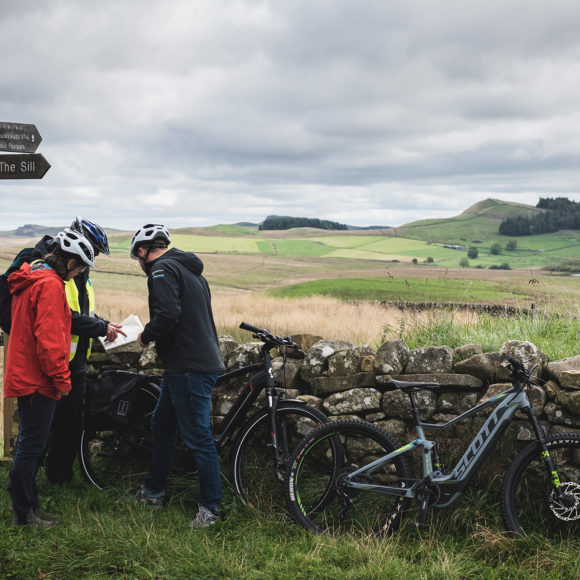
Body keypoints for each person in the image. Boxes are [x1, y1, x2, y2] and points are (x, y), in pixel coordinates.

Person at [130, 224, 225, 528]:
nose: (140, 263)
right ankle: (153, 491)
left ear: (144, 251)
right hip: (188, 364)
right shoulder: (192, 271)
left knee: (197, 436)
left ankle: (211, 509)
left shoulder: (161, 270)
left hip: (188, 366)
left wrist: (146, 334)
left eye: (138, 256)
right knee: (163, 425)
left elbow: (168, 315)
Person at [5, 229, 95, 527]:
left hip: (25, 372)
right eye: (80, 267)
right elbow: (51, 342)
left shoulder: (32, 278)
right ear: (69, 262)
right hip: (37, 378)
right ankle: (23, 513)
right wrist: (62, 380)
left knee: (31, 444)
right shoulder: (50, 286)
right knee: (31, 447)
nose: (78, 274)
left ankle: (31, 505)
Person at [36, 217, 126, 484]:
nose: (93, 258)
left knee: (68, 425)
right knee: (43, 426)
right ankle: (28, 483)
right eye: (93, 251)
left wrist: (102, 322)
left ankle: (58, 477)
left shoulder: (81, 273)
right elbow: (65, 316)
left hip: (74, 361)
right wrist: (99, 327)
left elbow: (82, 311)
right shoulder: (53, 271)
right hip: (56, 358)